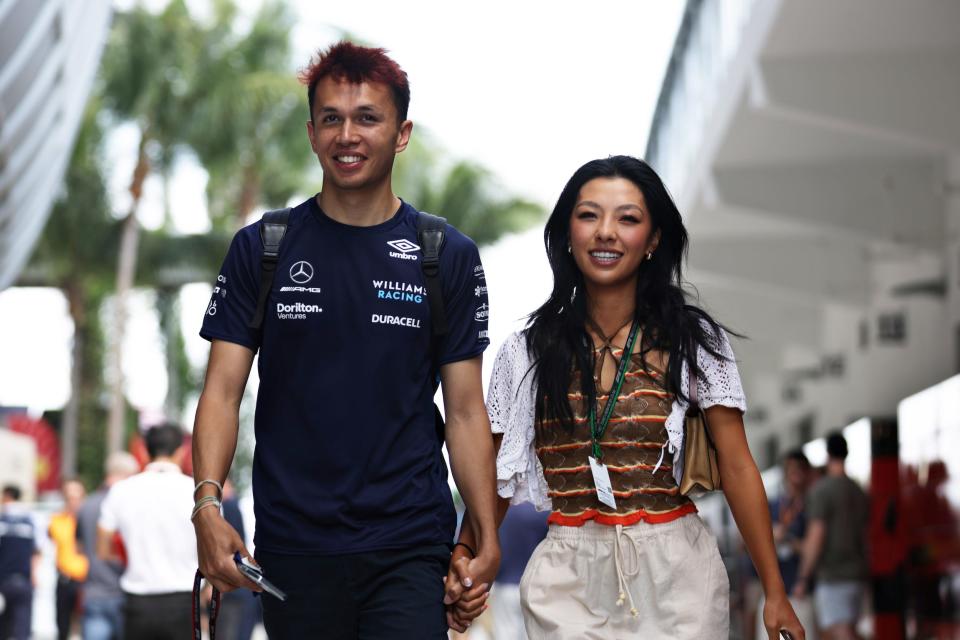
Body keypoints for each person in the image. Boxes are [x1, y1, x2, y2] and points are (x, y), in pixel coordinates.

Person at [191, 40, 499, 639]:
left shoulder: (446, 255)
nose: (347, 135)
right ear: (311, 133)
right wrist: (207, 507)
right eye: (331, 118)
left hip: (410, 542)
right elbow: (222, 392)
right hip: (294, 545)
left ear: (401, 133)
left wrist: (483, 535)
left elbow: (465, 411)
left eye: (367, 118)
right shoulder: (264, 248)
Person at [446, 156, 805, 639]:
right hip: (566, 579)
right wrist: (470, 552)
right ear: (567, 232)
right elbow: (492, 478)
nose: (606, 232)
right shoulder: (526, 353)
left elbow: (738, 466)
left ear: (654, 239)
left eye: (628, 218)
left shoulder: (696, 345)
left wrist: (774, 591)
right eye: (589, 215)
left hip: (678, 575)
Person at [97, 424, 197, 639]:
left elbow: (103, 550)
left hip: (137, 600)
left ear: (145, 450)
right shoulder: (195, 490)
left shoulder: (121, 490)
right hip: (184, 600)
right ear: (181, 450)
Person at [794, 432, 869, 640]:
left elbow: (816, 537)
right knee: (850, 629)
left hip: (833, 575)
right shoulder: (857, 490)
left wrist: (803, 577)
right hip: (858, 573)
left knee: (839, 632)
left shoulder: (822, 491)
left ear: (827, 454)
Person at [76, 451, 140, 640]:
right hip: (124, 593)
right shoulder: (127, 505)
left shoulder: (87, 504)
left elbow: (79, 547)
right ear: (126, 475)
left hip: (93, 592)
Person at [758, 450, 817, 640]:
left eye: (799, 470)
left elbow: (813, 548)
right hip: (773, 589)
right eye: (790, 470)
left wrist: (788, 540)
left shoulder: (811, 506)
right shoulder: (774, 505)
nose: (794, 476)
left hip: (800, 590)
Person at [48, 478, 89, 640]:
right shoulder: (57, 520)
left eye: (76, 497)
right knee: (62, 626)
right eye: (68, 497)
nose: (73, 502)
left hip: (87, 581)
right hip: (65, 578)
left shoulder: (91, 520)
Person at [0, 485, 40, 640]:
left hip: (3, 581)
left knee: (2, 629)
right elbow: (37, 551)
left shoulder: (2, 521)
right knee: (22, 629)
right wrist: (35, 574)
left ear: (7, 496)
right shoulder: (30, 521)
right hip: (24, 580)